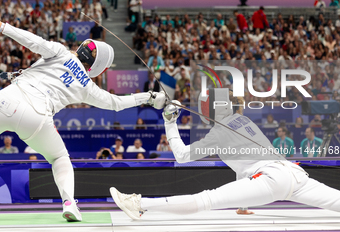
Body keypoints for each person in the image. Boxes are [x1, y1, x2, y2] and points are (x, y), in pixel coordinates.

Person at [0, 21, 166, 222]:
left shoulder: (61, 52)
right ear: (98, 68)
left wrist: (4, 27)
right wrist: (148, 97)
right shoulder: (87, 86)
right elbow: (116, 103)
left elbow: (34, 42)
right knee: (60, 158)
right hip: (37, 119)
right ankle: (69, 202)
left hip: (8, 99)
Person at [110, 90, 340, 220]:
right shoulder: (244, 120)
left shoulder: (218, 134)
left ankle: (139, 204)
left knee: (206, 199)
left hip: (271, 178)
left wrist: (170, 122)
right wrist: (243, 202)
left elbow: (181, 155)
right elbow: (246, 166)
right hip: (295, 175)